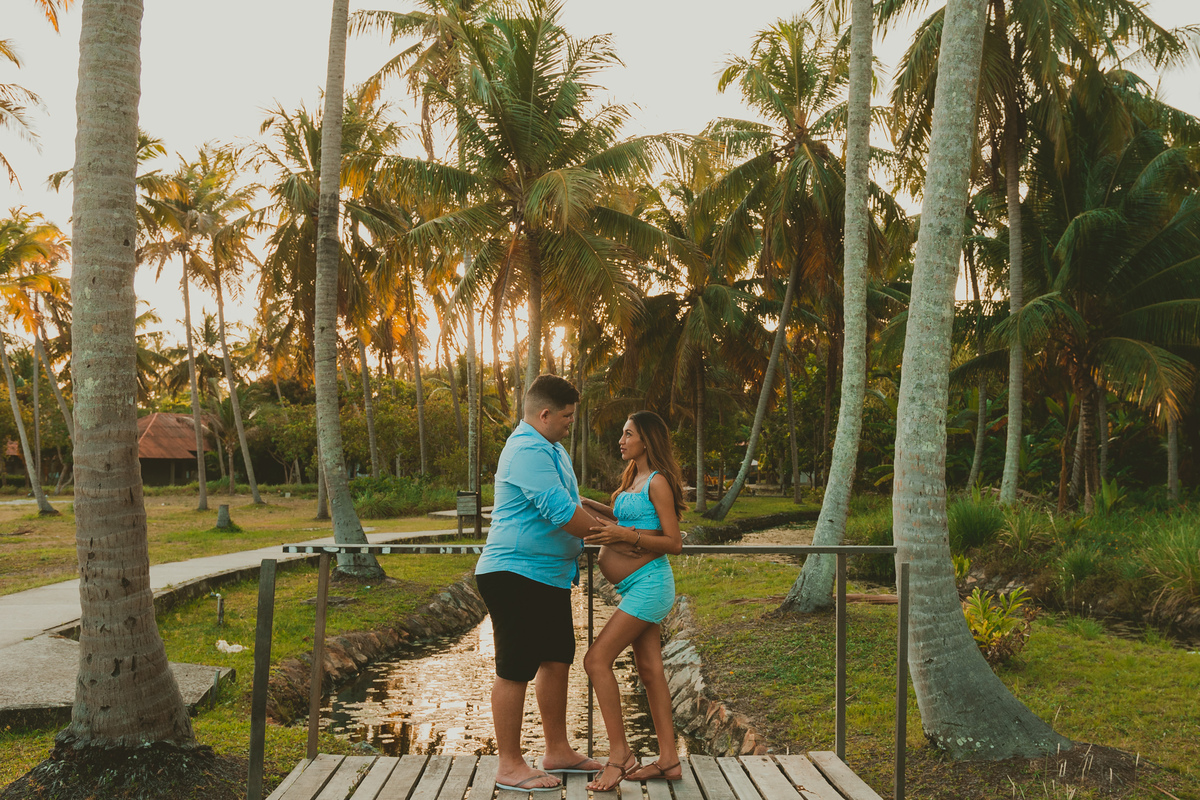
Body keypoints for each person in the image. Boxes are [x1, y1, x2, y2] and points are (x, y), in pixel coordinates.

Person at [474, 374, 613, 791]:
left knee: (556, 659)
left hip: (548, 575)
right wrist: (619, 538)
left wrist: (614, 518)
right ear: (545, 413)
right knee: (515, 667)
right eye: (567, 416)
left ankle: (557, 750)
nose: (571, 423)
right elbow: (561, 514)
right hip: (515, 573)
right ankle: (510, 766)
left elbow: (574, 502)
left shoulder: (553, 448)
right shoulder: (525, 450)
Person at [580, 410, 686, 791]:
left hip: (650, 585)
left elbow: (672, 542)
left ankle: (619, 756)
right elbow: (624, 519)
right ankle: (669, 760)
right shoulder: (633, 478)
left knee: (595, 660)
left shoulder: (657, 482)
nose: (621, 441)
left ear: (646, 440)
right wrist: (586, 504)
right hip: (635, 587)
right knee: (650, 670)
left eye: (628, 434)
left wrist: (626, 538)